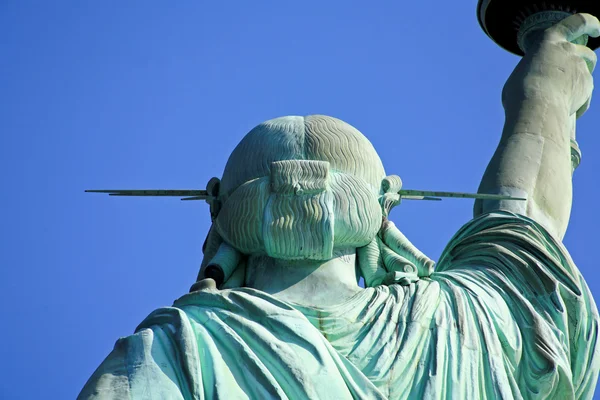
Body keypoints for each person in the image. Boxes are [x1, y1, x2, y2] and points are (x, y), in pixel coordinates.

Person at [80, 14, 600, 400]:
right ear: (383, 206)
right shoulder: (464, 324)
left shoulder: (175, 352)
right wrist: (548, 82)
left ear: (222, 211)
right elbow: (522, 219)